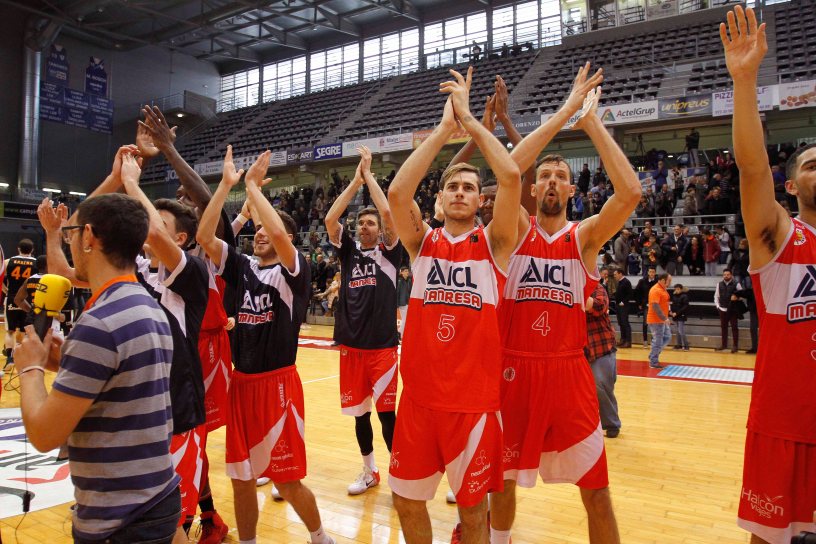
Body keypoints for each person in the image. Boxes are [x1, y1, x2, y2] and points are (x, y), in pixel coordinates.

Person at [491, 62, 637, 544]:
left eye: (561, 176)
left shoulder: (584, 237)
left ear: (573, 190)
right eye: (545, 176)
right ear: (534, 189)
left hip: (569, 372)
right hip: (513, 370)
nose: (552, 181)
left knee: (597, 492)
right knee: (501, 484)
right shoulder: (514, 231)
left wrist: (590, 122)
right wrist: (563, 111)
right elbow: (508, 169)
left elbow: (630, 193)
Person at [386, 66, 522, 543]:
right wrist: (446, 128)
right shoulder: (422, 243)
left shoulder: (495, 244)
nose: (461, 193)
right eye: (453, 188)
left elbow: (511, 176)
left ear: (480, 201)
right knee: (406, 501)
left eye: (469, 188)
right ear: (441, 200)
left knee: (473, 513)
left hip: (473, 406)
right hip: (418, 401)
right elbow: (397, 193)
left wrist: (472, 120)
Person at [16, 193, 181, 543]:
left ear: (88, 236)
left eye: (71, 233)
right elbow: (122, 385)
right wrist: (68, 361)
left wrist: (30, 370)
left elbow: (44, 435)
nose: (70, 242)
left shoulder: (99, 323)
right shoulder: (149, 306)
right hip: (157, 495)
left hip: (119, 516)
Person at [196, 148, 335, 544]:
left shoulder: (294, 272)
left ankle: (320, 537)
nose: (259, 233)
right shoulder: (242, 267)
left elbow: (276, 232)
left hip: (277, 386)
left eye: (265, 228)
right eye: (255, 228)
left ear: (288, 239)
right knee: (241, 479)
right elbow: (204, 237)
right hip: (241, 385)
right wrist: (227, 187)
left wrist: (254, 189)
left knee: (287, 482)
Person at [721, 6, 816, 542]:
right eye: (811, 165)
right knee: (767, 537)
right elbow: (753, 167)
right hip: (784, 423)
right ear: (792, 186)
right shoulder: (780, 237)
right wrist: (745, 81)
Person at [139, 106, 233, 541]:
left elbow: (205, 197)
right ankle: (205, 514)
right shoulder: (152, 258)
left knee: (194, 439)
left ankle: (192, 515)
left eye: (188, 196)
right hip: (174, 344)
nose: (183, 194)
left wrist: (169, 152)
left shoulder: (208, 246)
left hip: (206, 349)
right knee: (180, 440)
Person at [324, 146, 402, 496]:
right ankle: (370, 471)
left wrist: (369, 176)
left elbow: (387, 211)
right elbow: (331, 219)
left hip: (382, 349)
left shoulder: (389, 252)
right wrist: (354, 183)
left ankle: (400, 472)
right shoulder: (349, 252)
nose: (365, 226)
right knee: (360, 416)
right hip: (352, 349)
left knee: (387, 416)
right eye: (361, 223)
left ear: (380, 230)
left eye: (370, 223)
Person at [585, 282, 622, 439]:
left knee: (602, 387)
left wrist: (574, 296)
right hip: (578, 348)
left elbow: (599, 306)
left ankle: (611, 424)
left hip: (601, 346)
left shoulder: (596, 287)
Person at [3, 238, 37, 367]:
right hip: (27, 300)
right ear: (32, 250)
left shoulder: (8, 262)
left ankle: (9, 359)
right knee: (23, 331)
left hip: (12, 297)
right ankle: (19, 355)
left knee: (10, 331)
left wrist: (6, 291)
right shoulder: (36, 263)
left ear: (18, 249)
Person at [646, 273, 673, 369]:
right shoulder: (656, 290)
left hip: (661, 320)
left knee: (667, 337)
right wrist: (664, 318)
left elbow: (664, 303)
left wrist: (668, 313)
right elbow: (655, 306)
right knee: (658, 340)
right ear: (662, 280)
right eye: (669, 281)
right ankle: (653, 362)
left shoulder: (663, 289)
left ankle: (653, 354)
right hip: (655, 320)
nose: (670, 283)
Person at [714, 269, 742, 353]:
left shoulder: (737, 284)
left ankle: (735, 346)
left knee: (734, 328)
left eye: (728, 274)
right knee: (723, 328)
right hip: (722, 309)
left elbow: (742, 296)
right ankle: (724, 345)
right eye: (724, 274)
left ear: (731, 275)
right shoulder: (719, 284)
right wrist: (718, 306)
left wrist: (737, 298)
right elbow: (716, 296)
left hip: (733, 309)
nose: (726, 276)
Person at [635, 267, 658, 346]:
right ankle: (645, 340)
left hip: (655, 305)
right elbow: (637, 292)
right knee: (645, 322)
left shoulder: (657, 282)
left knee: (654, 323)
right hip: (646, 305)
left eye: (653, 272)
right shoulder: (642, 281)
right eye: (650, 272)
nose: (651, 273)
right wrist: (639, 303)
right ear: (648, 272)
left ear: (655, 273)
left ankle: (653, 340)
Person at [613, 268, 632, 348]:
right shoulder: (619, 282)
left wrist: (623, 302)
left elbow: (630, 294)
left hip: (624, 306)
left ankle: (628, 341)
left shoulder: (626, 282)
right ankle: (623, 339)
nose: (614, 276)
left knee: (625, 323)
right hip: (618, 305)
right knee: (621, 323)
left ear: (620, 274)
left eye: (615, 274)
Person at [670, 284, 690, 351]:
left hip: (681, 315)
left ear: (681, 289)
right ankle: (679, 345)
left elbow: (685, 306)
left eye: (678, 289)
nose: (677, 290)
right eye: (675, 289)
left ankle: (686, 345)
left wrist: (677, 313)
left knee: (681, 331)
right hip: (675, 315)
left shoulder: (684, 296)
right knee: (677, 331)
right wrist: (671, 312)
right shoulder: (674, 296)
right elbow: (672, 305)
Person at [396, 266, 412, 339]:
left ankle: (400, 333)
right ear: (401, 272)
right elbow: (397, 293)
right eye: (405, 271)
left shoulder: (409, 281)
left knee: (406, 319)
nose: (407, 272)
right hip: (402, 303)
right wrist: (396, 305)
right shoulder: (399, 281)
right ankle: (400, 333)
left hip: (408, 303)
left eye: (407, 271)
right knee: (405, 319)